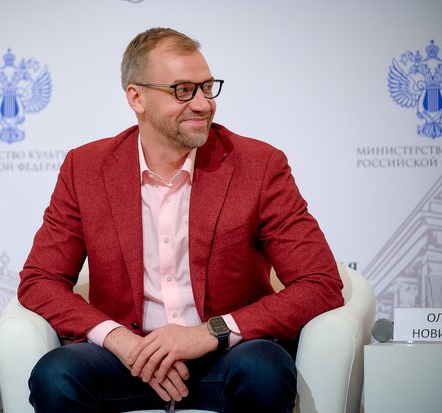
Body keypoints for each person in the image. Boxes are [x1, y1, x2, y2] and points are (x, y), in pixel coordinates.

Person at [18, 27, 344, 412]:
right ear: (136, 97)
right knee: (55, 375)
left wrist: (211, 332)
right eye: (183, 90)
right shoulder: (86, 169)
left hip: (226, 355)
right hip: (127, 358)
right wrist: (117, 338)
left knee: (264, 367)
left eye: (207, 88)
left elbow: (319, 283)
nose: (203, 104)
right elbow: (41, 280)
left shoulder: (259, 166)